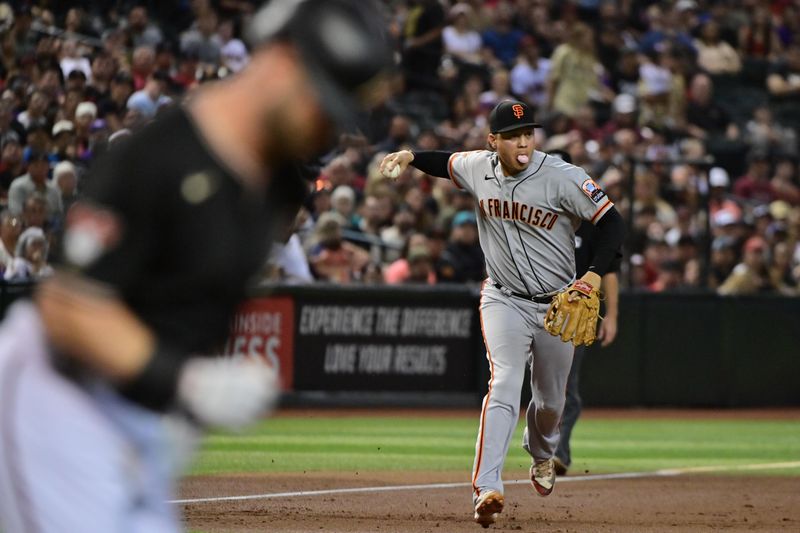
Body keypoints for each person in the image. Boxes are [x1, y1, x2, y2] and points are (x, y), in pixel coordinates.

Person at [0, 2, 392, 533]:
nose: (324, 128)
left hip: (138, 422)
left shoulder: (278, 188)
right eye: (319, 103)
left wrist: (172, 402)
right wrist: (185, 382)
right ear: (280, 63)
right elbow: (68, 308)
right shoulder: (156, 157)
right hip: (55, 406)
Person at [380, 100, 625, 528]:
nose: (523, 141)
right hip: (503, 298)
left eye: (528, 133)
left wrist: (593, 275)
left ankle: (542, 453)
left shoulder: (563, 177)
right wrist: (410, 157)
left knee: (550, 404)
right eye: (513, 136)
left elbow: (613, 224)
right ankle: (487, 487)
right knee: (506, 380)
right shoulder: (479, 166)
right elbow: (446, 163)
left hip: (557, 305)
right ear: (494, 141)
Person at [548, 150, 620, 476]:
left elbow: (610, 271)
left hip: (572, 313)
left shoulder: (592, 223)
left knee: (567, 388)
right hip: (531, 307)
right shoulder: (532, 212)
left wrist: (613, 316)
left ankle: (556, 453)